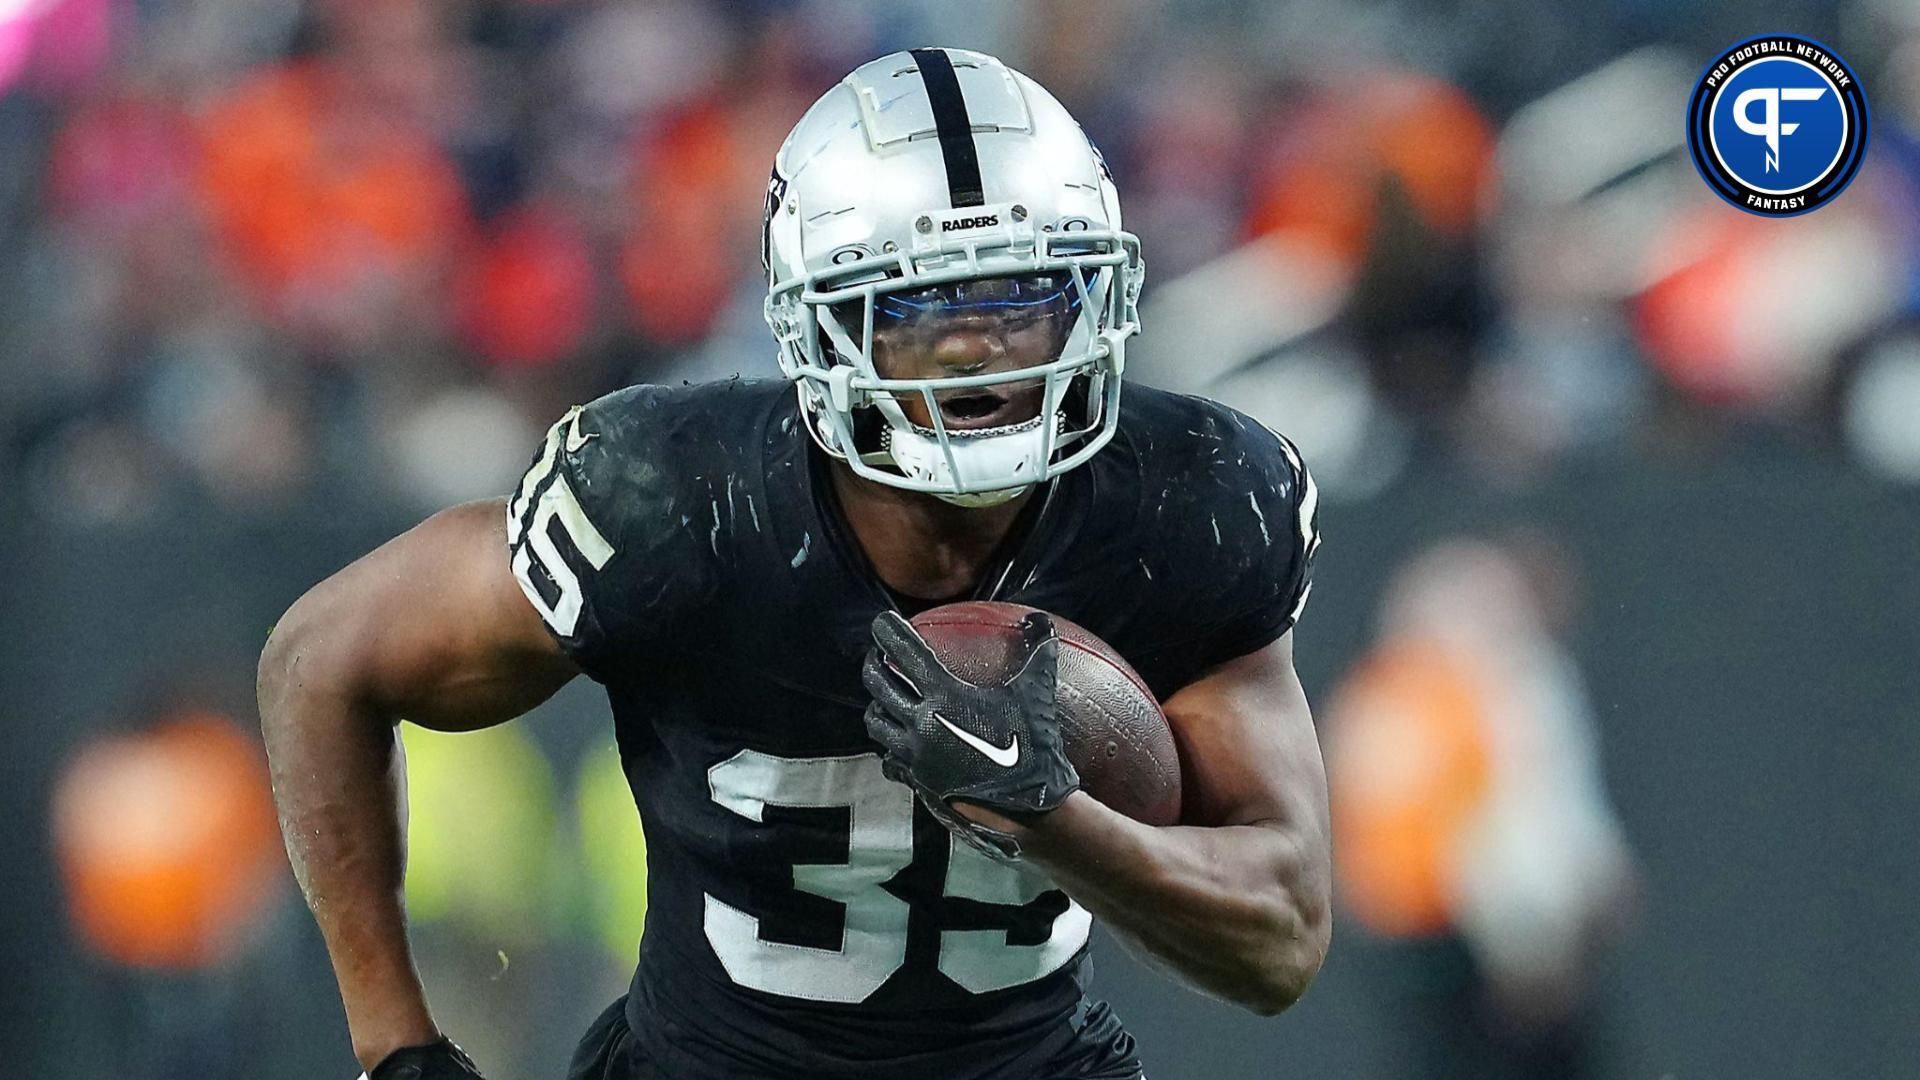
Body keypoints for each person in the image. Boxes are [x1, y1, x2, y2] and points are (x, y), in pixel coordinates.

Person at [259, 48, 1329, 1080]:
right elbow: (320, 662)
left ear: (1097, 293)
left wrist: (1057, 822)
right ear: (820, 327)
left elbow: (1280, 940)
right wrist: (394, 1048)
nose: (985, 357)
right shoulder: (673, 499)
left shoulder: (1190, 504)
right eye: (917, 314)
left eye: (1024, 298)